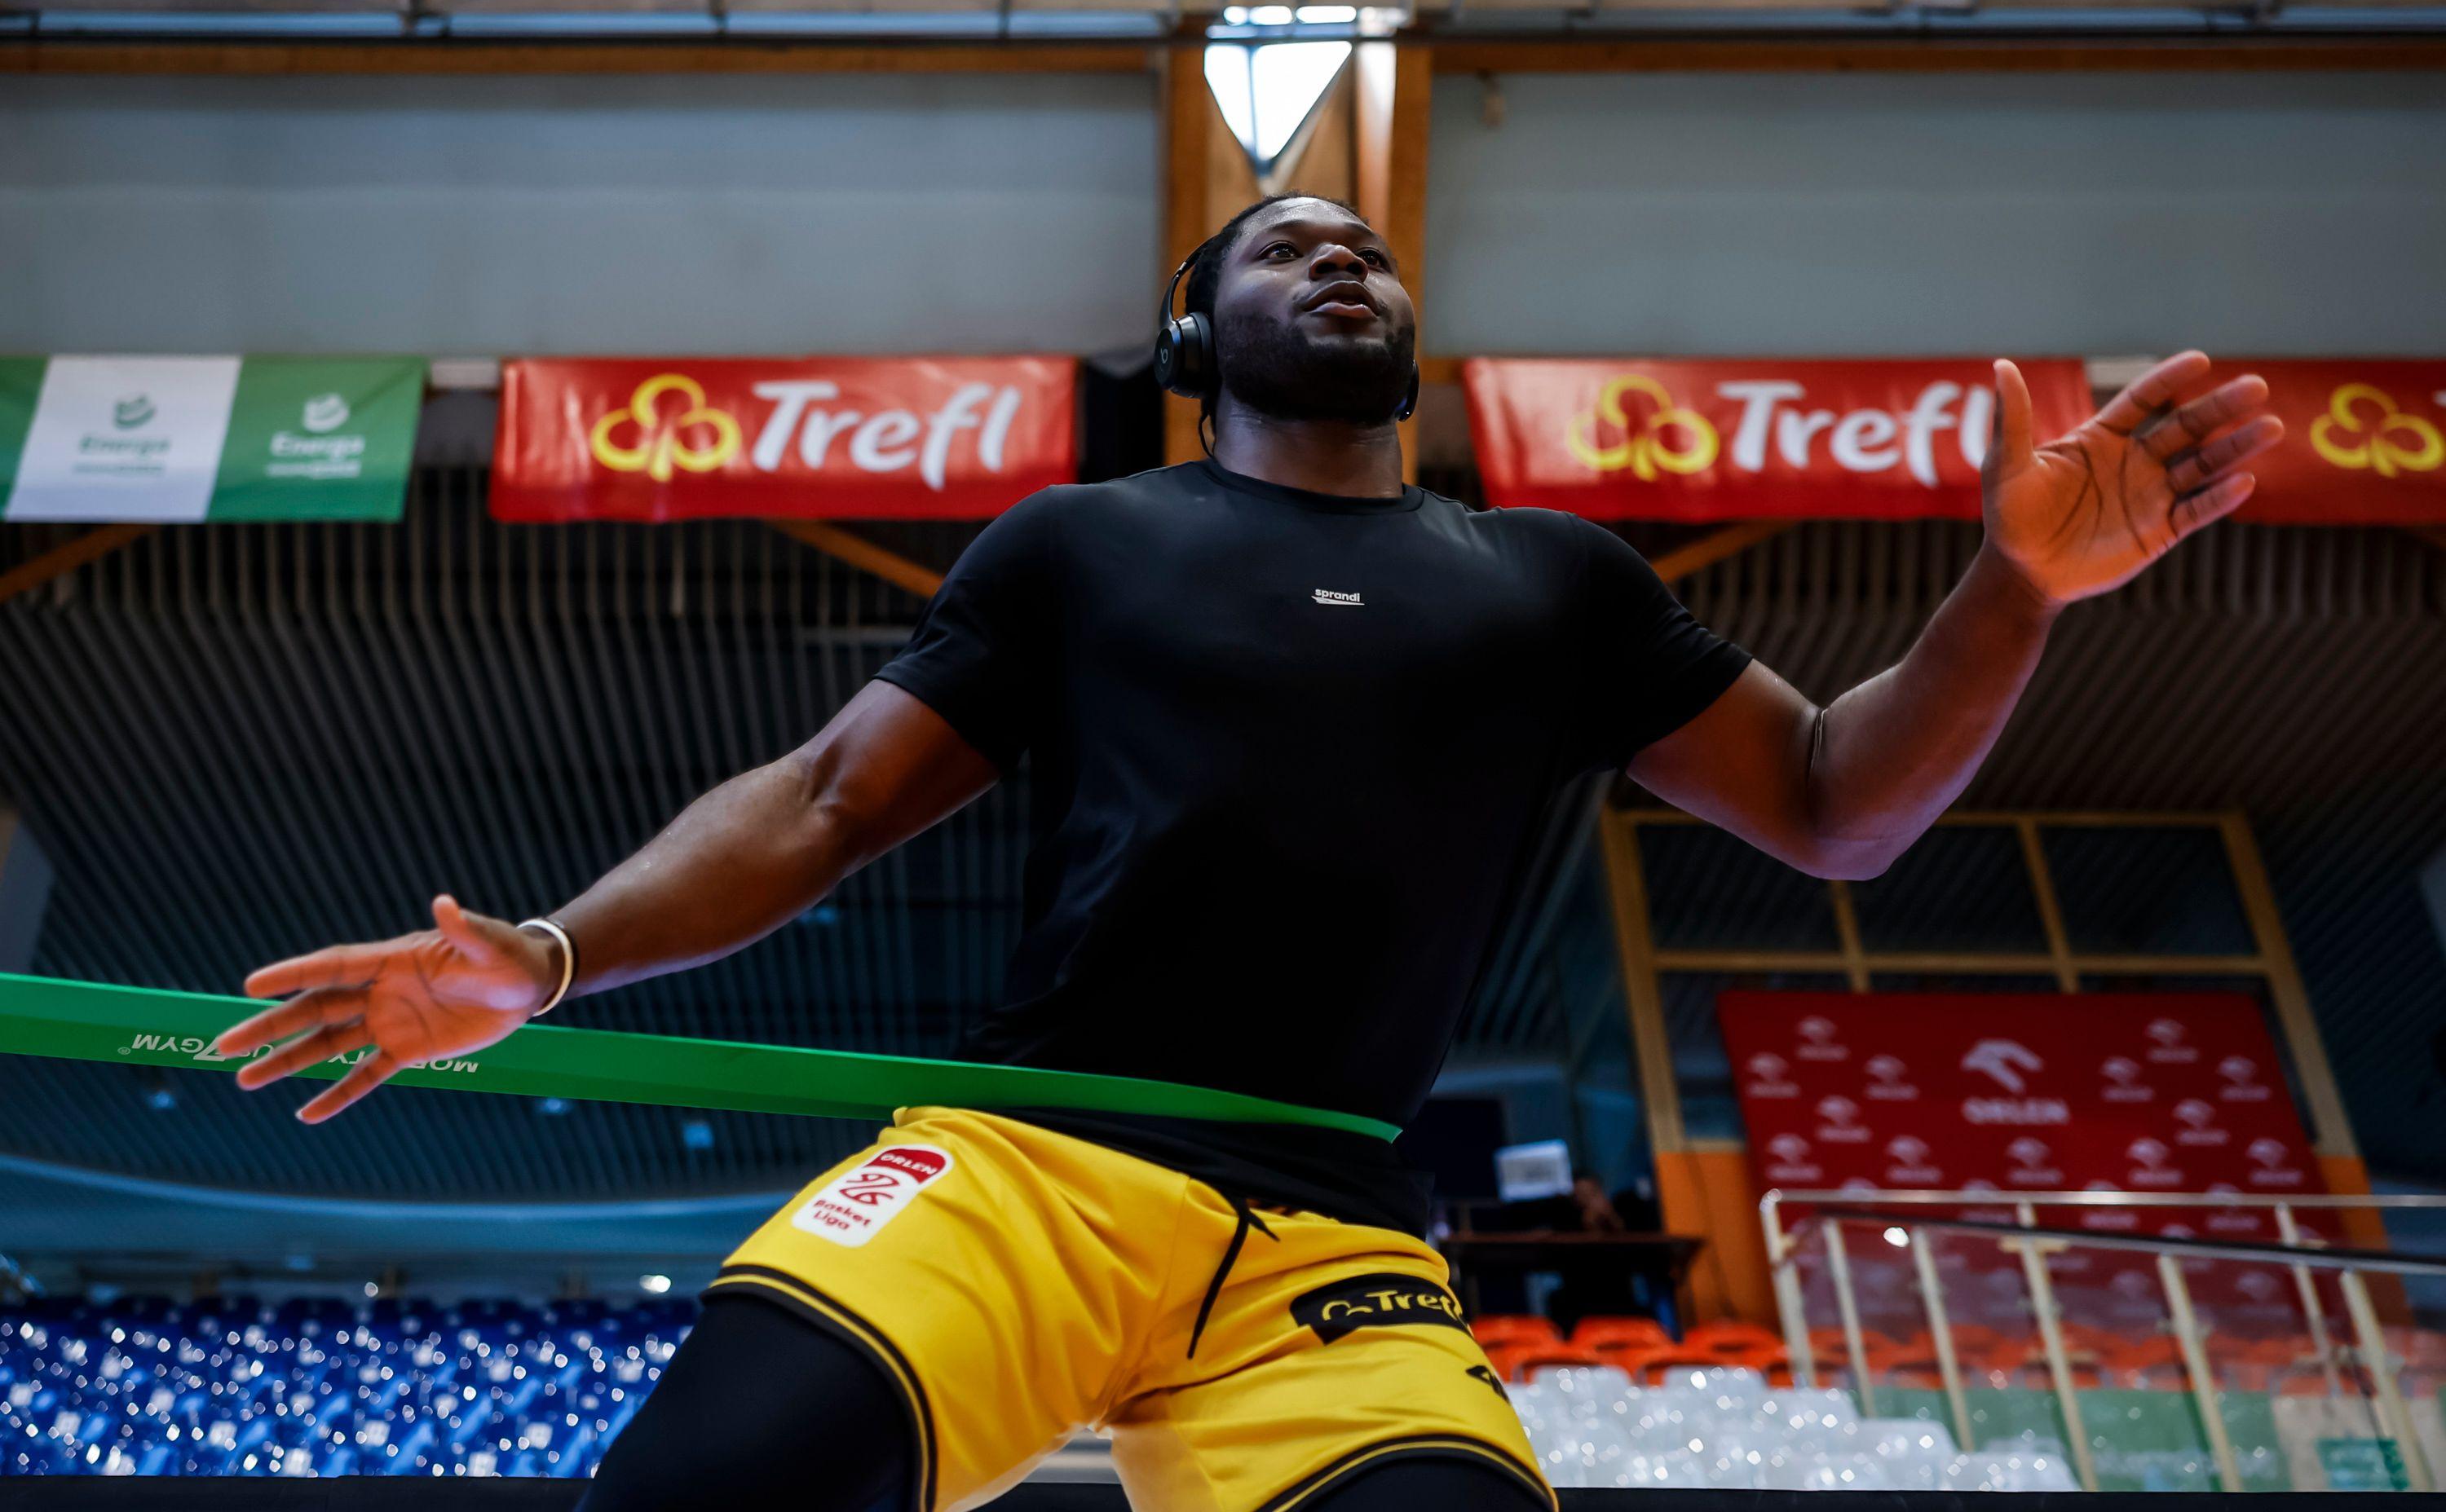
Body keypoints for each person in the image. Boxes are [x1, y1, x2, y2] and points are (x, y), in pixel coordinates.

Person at [209, 192, 2283, 1511]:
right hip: (1029, 1170)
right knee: (698, 1496)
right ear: (1198, 340)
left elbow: (1840, 804)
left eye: (1366, 245)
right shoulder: (1082, 542)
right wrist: (554, 955)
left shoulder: (1555, 578)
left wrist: (2015, 588)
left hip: (1337, 1245)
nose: (1342, 259)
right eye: (1284, 249)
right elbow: (826, 800)